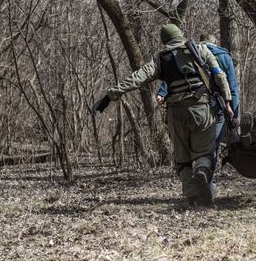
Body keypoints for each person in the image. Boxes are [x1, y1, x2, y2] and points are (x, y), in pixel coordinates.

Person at [94, 24, 233, 206]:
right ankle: (202, 173)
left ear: (164, 40)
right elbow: (219, 75)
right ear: (180, 35)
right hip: (202, 109)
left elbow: (138, 77)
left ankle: (192, 196)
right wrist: (228, 101)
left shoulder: (161, 58)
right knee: (204, 153)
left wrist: (110, 95)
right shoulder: (200, 49)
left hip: (176, 113)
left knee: (182, 159)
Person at [157, 33, 240, 188]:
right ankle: (206, 184)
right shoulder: (223, 56)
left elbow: (174, 75)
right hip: (219, 106)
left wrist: (162, 92)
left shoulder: (189, 51)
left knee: (192, 148)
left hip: (197, 104)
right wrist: (234, 113)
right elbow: (233, 87)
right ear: (215, 41)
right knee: (210, 147)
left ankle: (196, 184)